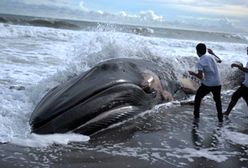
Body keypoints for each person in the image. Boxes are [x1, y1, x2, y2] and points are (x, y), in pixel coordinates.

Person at [188, 43, 223, 122]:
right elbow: (220, 61)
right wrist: (212, 53)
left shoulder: (200, 62)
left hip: (208, 84)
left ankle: (196, 117)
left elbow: (200, 77)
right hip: (218, 82)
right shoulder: (211, 56)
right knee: (218, 101)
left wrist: (193, 73)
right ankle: (220, 118)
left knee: (198, 98)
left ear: (197, 51)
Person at [223, 47, 248, 117]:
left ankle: (227, 113)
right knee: (246, 98)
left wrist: (238, 66)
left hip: (246, 85)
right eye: (247, 51)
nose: (247, 52)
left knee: (235, 96)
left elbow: (247, 70)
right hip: (246, 84)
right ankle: (227, 112)